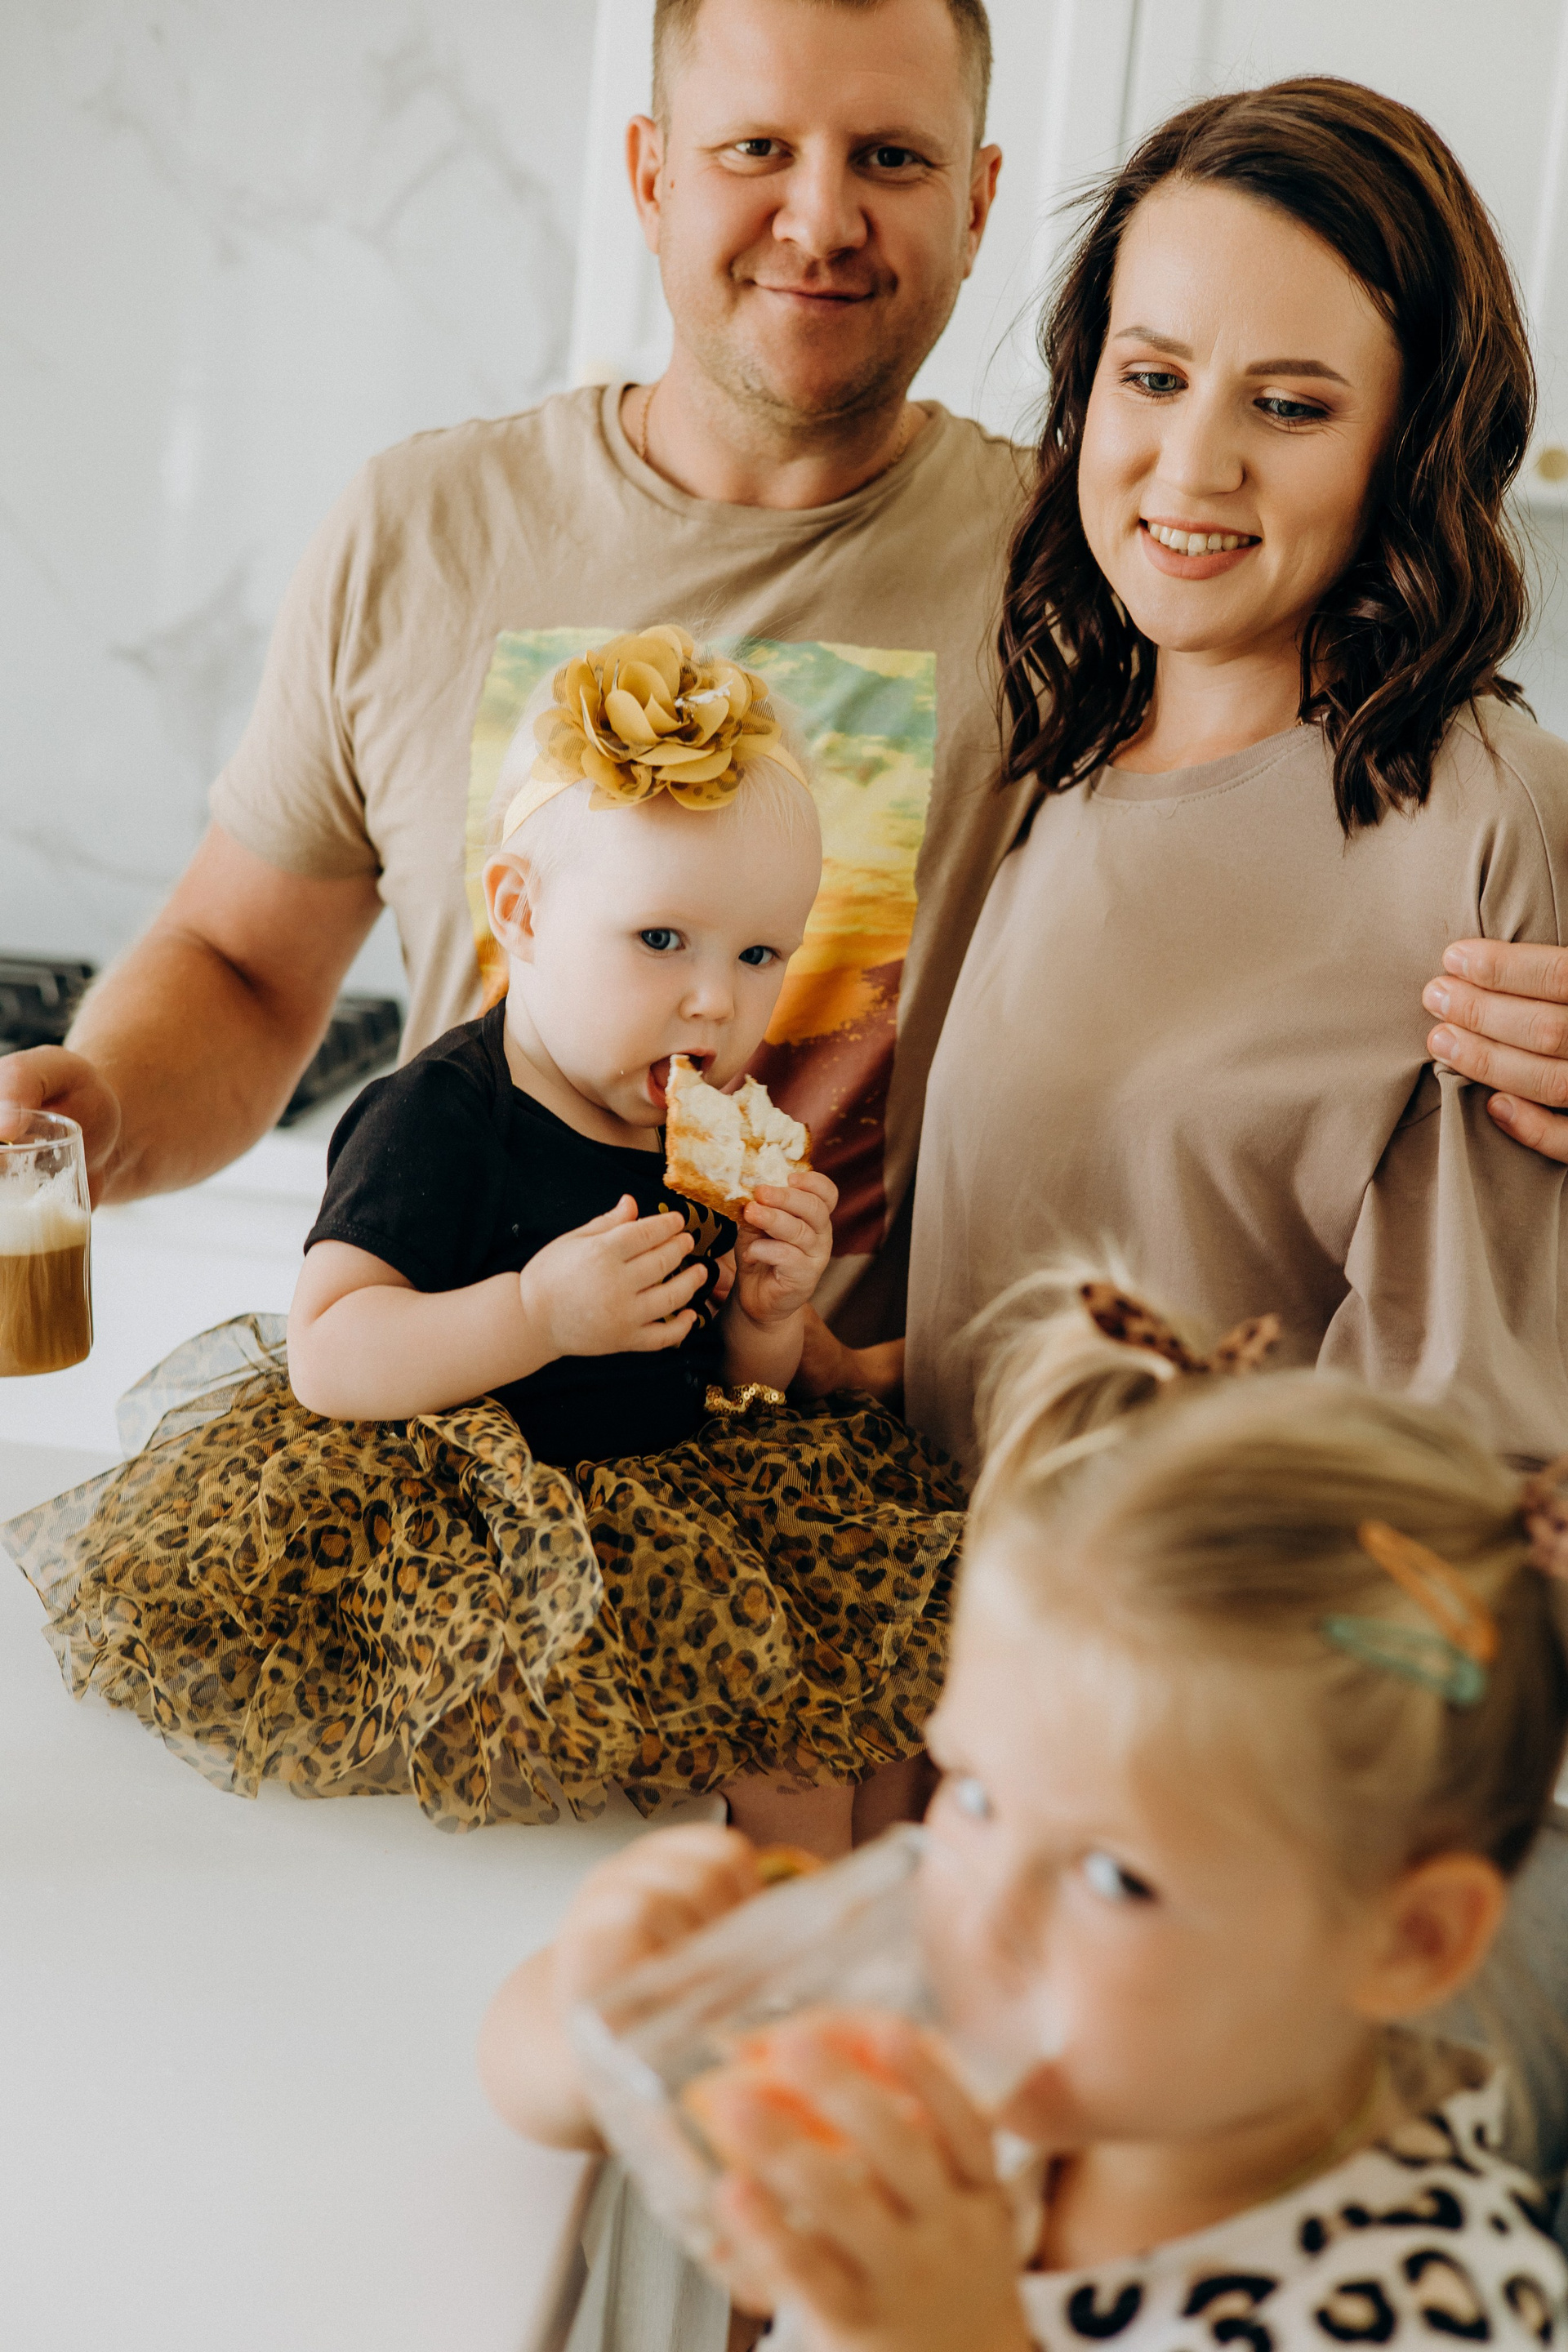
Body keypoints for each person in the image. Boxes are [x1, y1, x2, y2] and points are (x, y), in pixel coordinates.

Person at [3, 2, 1568, 1398]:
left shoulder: (1099, 573)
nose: (820, 220)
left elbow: (1318, 877)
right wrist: (102, 1106)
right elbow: (242, 966)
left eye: (891, 157)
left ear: (978, 202)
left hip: (844, 1507)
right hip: (458, 1457)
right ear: (650, 172)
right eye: (756, 147)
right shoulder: (421, 529)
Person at [2, 631, 964, 1848]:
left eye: (759, 954)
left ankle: (794, 1943)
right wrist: (536, 1314)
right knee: (580, 1816)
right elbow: (330, 1353)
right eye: (660, 940)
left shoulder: (701, 1138)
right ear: (520, 911)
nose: (715, 1001)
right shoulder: (444, 1116)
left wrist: (767, 1314)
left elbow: (723, 1385)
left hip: (675, 1519)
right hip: (466, 1541)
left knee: (823, 1751)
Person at [479, 1278, 1568, 2349]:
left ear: (1409, 1939)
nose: (983, 1911)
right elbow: (539, 2093)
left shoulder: (1448, 2303)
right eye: (977, 1795)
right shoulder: (955, 2019)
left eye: (1116, 1878)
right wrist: (607, 2005)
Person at [906, 78, 1568, 1473]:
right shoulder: (1052, 762)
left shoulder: (1487, 825)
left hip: (1222, 1620)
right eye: (1153, 379)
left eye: (1288, 405)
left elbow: (1460, 1465)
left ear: (1414, 442)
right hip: (929, 1597)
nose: (1194, 465)